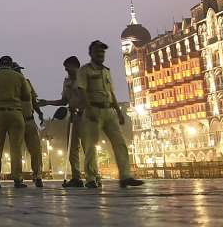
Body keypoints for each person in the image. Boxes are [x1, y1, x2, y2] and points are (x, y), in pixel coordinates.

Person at [77, 40, 144, 189]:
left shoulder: (106, 71)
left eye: (102, 52)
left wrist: (119, 112)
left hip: (109, 111)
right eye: (97, 52)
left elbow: (111, 93)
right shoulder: (85, 70)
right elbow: (82, 91)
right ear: (91, 53)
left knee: (120, 143)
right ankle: (90, 177)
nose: (100, 54)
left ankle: (125, 176)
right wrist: (88, 109)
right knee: (91, 146)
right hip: (93, 111)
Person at [0, 55, 29, 188]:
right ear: (11, 64)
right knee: (16, 148)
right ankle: (18, 179)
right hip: (15, 113)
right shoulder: (19, 77)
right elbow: (26, 96)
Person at [38, 56, 85, 187]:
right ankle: (76, 177)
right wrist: (46, 102)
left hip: (86, 116)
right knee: (72, 147)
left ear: (75, 66)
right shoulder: (67, 82)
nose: (66, 70)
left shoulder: (85, 78)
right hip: (73, 117)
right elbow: (63, 101)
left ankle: (93, 177)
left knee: (88, 147)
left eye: (68, 67)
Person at [11, 62, 45, 187]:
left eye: (20, 70)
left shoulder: (27, 82)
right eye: (17, 70)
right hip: (16, 120)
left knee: (36, 149)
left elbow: (33, 101)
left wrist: (39, 113)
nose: (19, 72)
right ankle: (18, 177)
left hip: (30, 119)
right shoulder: (10, 85)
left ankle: (38, 175)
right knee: (16, 151)